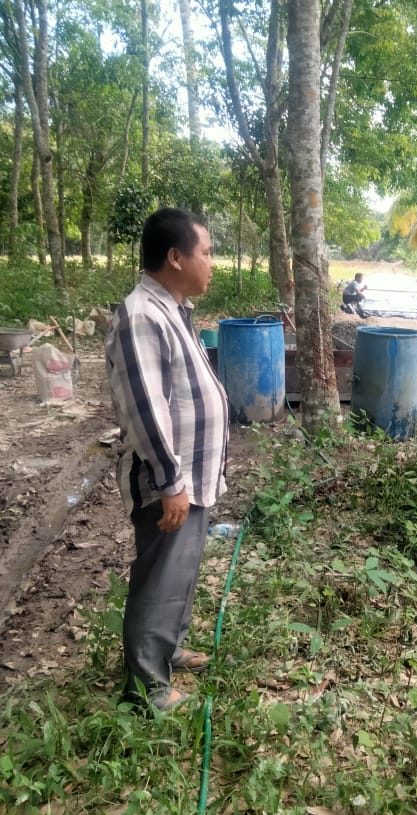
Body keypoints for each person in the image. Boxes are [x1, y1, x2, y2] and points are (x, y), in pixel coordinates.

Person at [105, 208, 229, 712]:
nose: (212, 263)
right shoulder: (141, 315)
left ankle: (169, 649)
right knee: (159, 579)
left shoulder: (173, 308)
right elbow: (145, 406)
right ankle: (146, 689)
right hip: (168, 481)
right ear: (175, 257)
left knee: (179, 572)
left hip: (188, 478)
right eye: (206, 252)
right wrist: (170, 480)